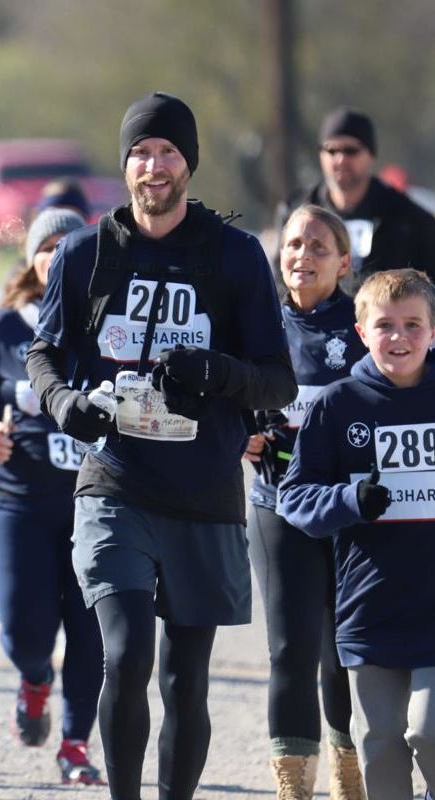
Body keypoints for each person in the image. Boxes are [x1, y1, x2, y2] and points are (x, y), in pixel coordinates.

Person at [26, 91, 297, 798]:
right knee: (124, 656)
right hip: (115, 483)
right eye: (141, 152)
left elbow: (278, 380)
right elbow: (44, 353)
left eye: (167, 152)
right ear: (125, 166)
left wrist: (217, 371)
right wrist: (65, 403)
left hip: (204, 491)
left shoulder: (233, 256)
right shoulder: (86, 252)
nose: (153, 166)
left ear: (189, 163)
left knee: (185, 680)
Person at [0, 207, 104, 785]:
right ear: (33, 259)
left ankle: (75, 744)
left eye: (72, 245)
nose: (60, 255)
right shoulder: (3, 328)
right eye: (48, 246)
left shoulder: (108, 326)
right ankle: (34, 677)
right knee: (24, 631)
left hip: (95, 504)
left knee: (91, 633)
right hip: (18, 502)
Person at [278, 269, 435, 799]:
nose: (400, 338)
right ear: (361, 332)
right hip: (371, 608)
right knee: (382, 743)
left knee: (429, 731)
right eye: (385, 325)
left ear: (434, 332)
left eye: (414, 325)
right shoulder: (337, 404)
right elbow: (295, 499)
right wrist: (350, 501)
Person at [245, 205, 367, 799]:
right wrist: (239, 432)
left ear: (344, 262)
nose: (303, 255)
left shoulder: (365, 327)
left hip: (348, 511)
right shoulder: (257, 326)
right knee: (290, 648)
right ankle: (292, 786)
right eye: (294, 244)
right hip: (278, 505)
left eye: (319, 246)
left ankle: (352, 771)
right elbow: (226, 397)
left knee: (343, 646)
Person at [278, 106, 435, 294]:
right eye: (331, 150)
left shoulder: (406, 218)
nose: (340, 159)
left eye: (350, 150)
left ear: (371, 155)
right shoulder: (295, 211)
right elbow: (277, 281)